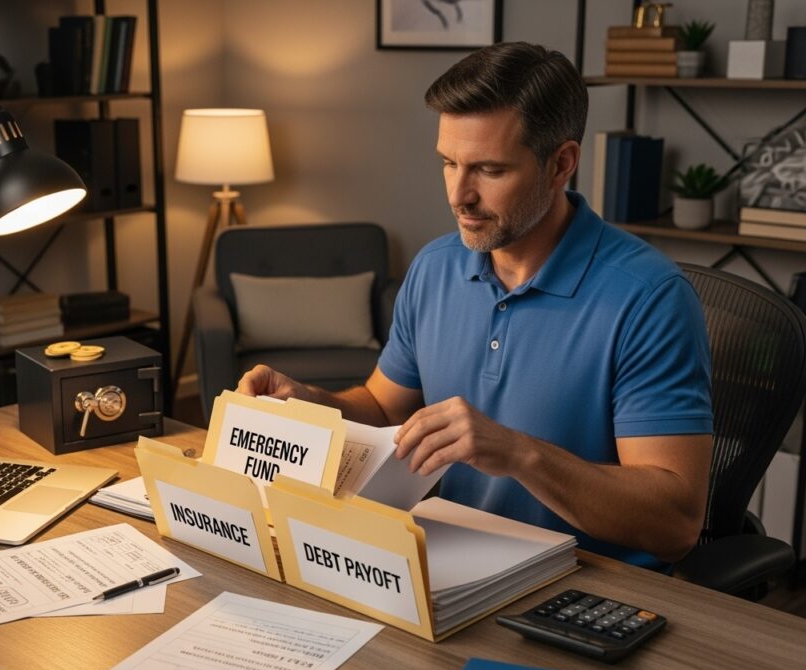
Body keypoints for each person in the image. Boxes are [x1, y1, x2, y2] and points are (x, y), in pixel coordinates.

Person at [236, 42, 713, 569]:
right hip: (442, 564)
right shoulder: (436, 266)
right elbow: (384, 411)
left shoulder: (649, 299)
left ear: (561, 165)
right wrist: (311, 403)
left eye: (488, 170)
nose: (458, 195)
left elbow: (676, 525)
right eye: (448, 163)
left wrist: (516, 453)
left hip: (587, 589)